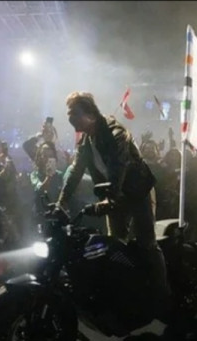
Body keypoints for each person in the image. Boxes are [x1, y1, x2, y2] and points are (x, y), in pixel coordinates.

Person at [55, 91, 170, 310]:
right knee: (115, 244)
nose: (70, 118)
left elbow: (118, 166)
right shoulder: (87, 141)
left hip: (137, 193)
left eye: (74, 114)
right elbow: (75, 171)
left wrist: (110, 198)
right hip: (113, 195)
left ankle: (162, 295)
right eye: (69, 114)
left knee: (147, 243)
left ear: (90, 113)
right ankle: (125, 291)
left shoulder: (116, 133)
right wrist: (62, 202)